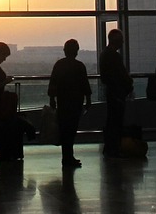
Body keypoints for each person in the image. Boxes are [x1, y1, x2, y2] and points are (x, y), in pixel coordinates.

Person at [47, 39, 92, 169]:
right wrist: (88, 101)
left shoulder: (59, 65)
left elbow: (53, 83)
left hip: (63, 103)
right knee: (71, 131)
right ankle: (68, 157)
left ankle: (66, 157)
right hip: (75, 103)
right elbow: (85, 85)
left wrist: (52, 99)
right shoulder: (79, 66)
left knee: (64, 130)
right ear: (76, 51)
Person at [99, 28, 133, 157]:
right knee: (116, 121)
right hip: (117, 93)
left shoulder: (105, 54)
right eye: (121, 41)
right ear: (116, 41)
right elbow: (121, 74)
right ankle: (114, 148)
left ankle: (110, 147)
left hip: (112, 92)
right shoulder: (114, 56)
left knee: (112, 120)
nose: (123, 43)